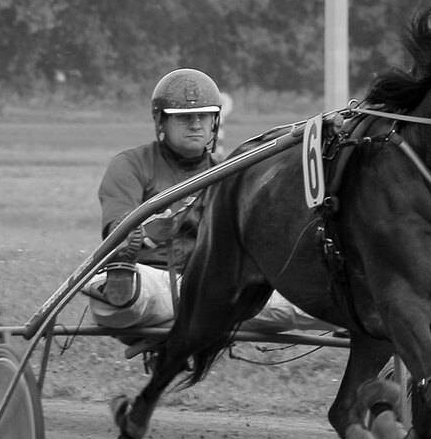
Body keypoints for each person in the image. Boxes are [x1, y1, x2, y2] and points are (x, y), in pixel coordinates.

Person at [83, 68, 325, 333]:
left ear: (215, 122)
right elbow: (116, 232)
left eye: (204, 115)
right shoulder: (130, 164)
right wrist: (147, 233)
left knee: (321, 302)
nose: (196, 124)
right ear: (161, 121)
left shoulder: (232, 174)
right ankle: (130, 293)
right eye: (184, 117)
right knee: (115, 294)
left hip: (217, 286)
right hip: (151, 280)